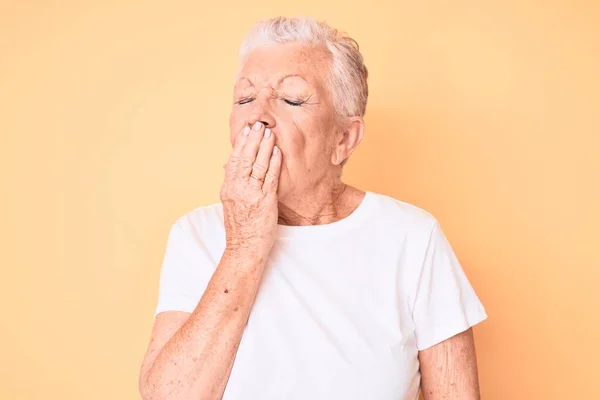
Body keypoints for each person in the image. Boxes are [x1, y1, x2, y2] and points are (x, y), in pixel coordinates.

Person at [139, 16, 487, 400]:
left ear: (343, 138)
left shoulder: (413, 238)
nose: (258, 116)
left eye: (292, 99)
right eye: (245, 98)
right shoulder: (197, 235)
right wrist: (245, 244)